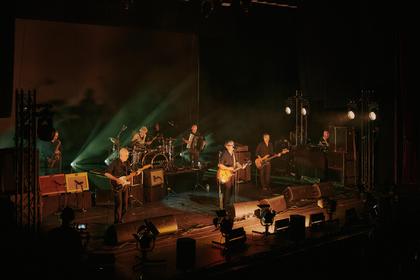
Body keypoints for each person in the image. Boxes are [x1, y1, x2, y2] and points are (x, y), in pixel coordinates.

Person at [47, 207, 84, 279]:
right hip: (70, 269)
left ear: (61, 218)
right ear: (72, 219)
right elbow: (79, 252)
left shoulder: (53, 233)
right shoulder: (74, 234)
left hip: (56, 269)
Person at [104, 148, 132, 224]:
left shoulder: (127, 163)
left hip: (125, 186)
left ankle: (121, 218)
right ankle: (117, 222)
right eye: (126, 155)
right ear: (121, 155)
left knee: (125, 205)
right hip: (117, 186)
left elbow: (130, 173)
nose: (127, 156)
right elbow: (106, 173)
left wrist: (134, 173)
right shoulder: (114, 163)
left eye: (128, 155)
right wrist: (116, 179)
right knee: (119, 204)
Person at [217, 140, 243, 214]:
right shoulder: (224, 153)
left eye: (233, 145)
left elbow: (237, 162)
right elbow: (219, 165)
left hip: (231, 175)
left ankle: (228, 206)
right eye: (231, 145)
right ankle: (224, 209)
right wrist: (228, 168)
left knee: (231, 190)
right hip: (225, 174)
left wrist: (241, 166)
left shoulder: (234, 154)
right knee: (227, 191)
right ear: (227, 146)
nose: (233, 146)